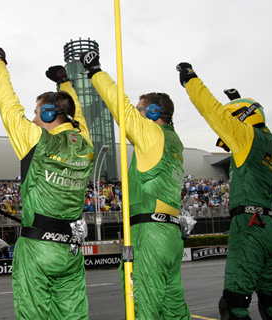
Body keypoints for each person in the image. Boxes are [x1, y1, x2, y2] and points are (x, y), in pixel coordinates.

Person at [0, 46, 95, 319]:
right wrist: (64, 82)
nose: (33, 118)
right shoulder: (86, 143)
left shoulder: (36, 139)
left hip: (37, 247)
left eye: (37, 113)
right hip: (70, 249)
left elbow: (7, 103)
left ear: (48, 114)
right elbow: (76, 114)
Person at [80, 51, 190, 320]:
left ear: (153, 113)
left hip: (149, 232)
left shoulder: (152, 134)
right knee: (173, 307)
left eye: (143, 110)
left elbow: (122, 107)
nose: (138, 114)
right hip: (171, 234)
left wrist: (96, 72)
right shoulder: (175, 142)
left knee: (143, 303)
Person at [177, 63, 272, 320]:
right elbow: (258, 123)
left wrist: (191, 80)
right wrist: (239, 101)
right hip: (271, 227)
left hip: (249, 226)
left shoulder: (246, 138)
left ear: (241, 119)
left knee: (233, 303)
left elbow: (212, 112)